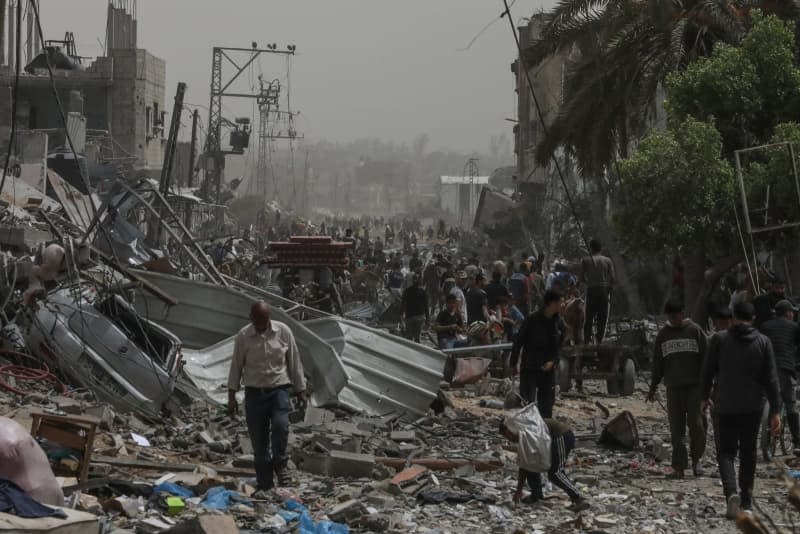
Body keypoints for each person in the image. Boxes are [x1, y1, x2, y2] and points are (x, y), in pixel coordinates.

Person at [701, 301, 781, 518]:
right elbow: (772, 379)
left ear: (734, 317)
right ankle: (746, 503)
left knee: (726, 453)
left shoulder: (719, 339)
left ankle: (731, 494)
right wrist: (775, 411)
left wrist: (703, 397)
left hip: (724, 405)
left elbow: (707, 371)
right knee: (748, 453)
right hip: (753, 407)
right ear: (754, 318)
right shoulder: (763, 342)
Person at [227, 302, 308, 491]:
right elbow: (236, 366)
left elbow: (294, 362)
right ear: (252, 319)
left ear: (269, 317)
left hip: (279, 390)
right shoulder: (243, 336)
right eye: (257, 321)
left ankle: (280, 465)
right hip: (254, 393)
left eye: (264, 320)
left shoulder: (283, 332)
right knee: (259, 439)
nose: (261, 325)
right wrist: (231, 395)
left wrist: (300, 390)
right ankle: (265, 481)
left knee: (281, 427)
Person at [647, 300, 708, 479]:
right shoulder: (663, 335)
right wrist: (652, 387)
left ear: (683, 313)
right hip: (673, 389)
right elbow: (658, 363)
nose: (674, 320)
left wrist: (709, 387)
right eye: (670, 317)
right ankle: (679, 466)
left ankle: (697, 460)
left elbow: (707, 360)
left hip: (695, 387)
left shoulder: (695, 331)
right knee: (676, 430)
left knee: (697, 425)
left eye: (676, 316)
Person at [500, 417, 589, 511]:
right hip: (550, 439)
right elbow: (526, 464)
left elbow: (523, 466)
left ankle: (579, 499)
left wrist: (518, 491)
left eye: (507, 436)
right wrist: (519, 490)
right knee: (532, 466)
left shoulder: (526, 431)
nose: (510, 439)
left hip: (561, 436)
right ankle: (536, 495)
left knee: (555, 473)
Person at [510, 290, 565, 418]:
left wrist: (553, 362)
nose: (561, 305)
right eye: (559, 302)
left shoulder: (558, 323)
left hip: (548, 370)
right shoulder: (531, 320)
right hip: (530, 367)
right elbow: (518, 342)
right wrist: (513, 363)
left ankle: (544, 433)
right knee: (527, 404)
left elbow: (559, 347)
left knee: (546, 406)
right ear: (551, 303)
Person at [759, 299, 800, 459]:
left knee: (766, 399)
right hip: (785, 368)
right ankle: (797, 443)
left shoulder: (765, 326)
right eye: (792, 312)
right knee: (790, 405)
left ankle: (765, 433)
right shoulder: (794, 327)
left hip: (765, 370)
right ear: (788, 313)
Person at [581, 239, 616, 344]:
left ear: (591, 248)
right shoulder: (607, 260)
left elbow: (581, 278)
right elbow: (613, 280)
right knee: (602, 318)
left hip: (591, 291)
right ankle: (599, 341)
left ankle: (587, 342)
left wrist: (589, 282)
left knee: (589, 318)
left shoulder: (585, 260)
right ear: (601, 249)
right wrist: (609, 287)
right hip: (603, 292)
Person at [401, 274, 430, 343]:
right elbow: (426, 306)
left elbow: (403, 304)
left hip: (413, 317)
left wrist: (401, 315)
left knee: (410, 338)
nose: (416, 280)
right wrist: (427, 319)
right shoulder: (421, 292)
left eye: (417, 279)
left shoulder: (408, 291)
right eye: (416, 279)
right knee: (416, 338)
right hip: (415, 317)